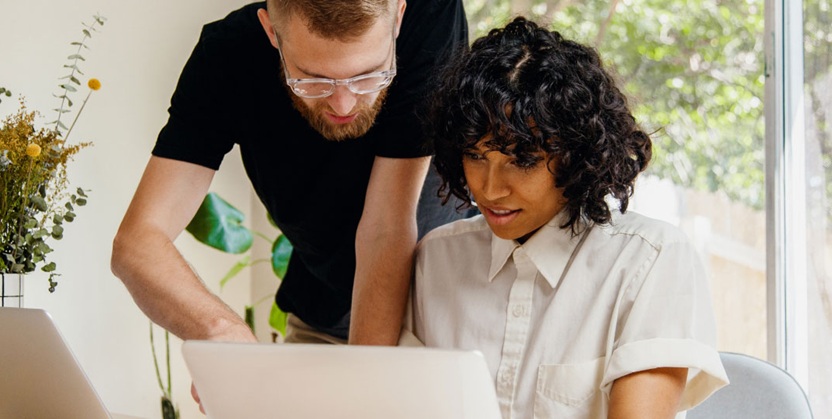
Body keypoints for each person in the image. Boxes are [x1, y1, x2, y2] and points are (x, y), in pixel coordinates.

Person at [408, 17, 729, 418]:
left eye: (521, 161)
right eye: (476, 156)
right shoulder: (436, 261)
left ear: (577, 156)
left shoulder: (651, 262)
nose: (490, 188)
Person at [111, 0, 468, 348]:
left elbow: (385, 227)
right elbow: (138, 241)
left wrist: (363, 381)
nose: (343, 104)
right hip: (321, 313)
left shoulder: (430, 12)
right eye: (313, 80)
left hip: (441, 318)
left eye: (368, 76)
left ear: (397, 20)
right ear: (271, 30)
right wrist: (220, 331)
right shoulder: (226, 55)